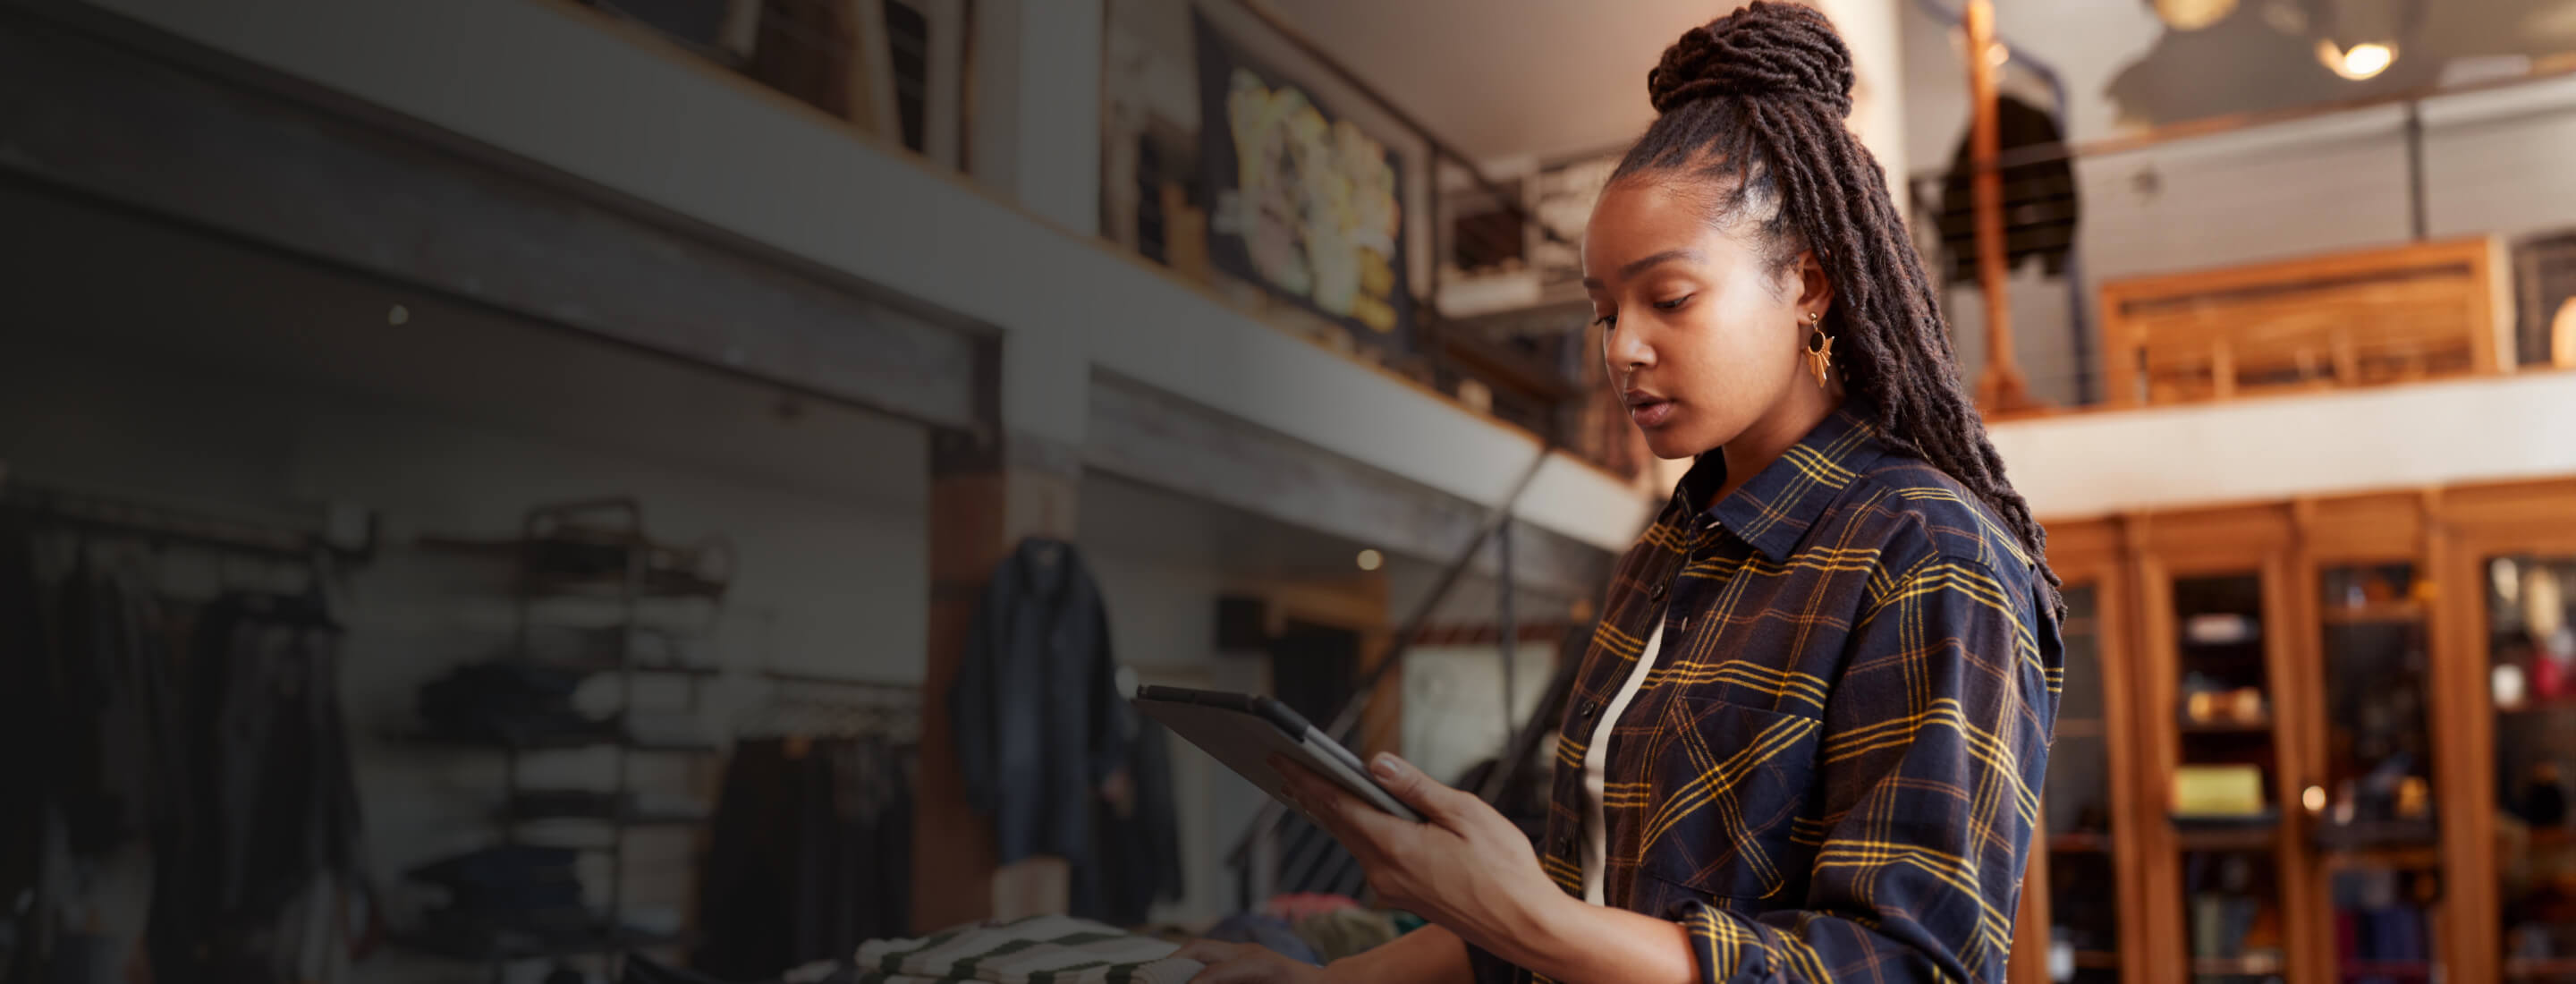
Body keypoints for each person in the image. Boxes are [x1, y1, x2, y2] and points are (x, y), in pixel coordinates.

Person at [1177, 4, 2063, 982]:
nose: (1621, 348)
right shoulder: (1667, 552)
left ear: (1808, 282)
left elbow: (1912, 966)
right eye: (1603, 311)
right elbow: (1586, 895)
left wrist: (1531, 921)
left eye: (1669, 298)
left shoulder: (1930, 551)